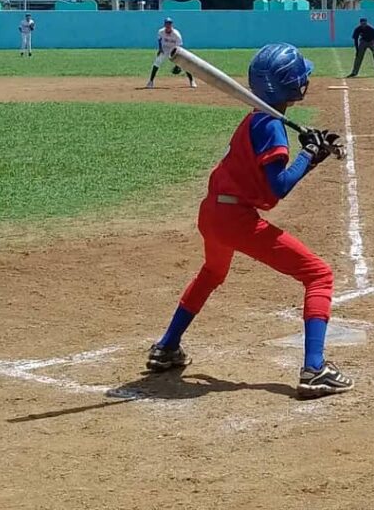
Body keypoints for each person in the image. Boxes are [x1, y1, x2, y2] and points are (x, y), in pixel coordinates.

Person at [147, 43, 354, 399]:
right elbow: (276, 192)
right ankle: (314, 369)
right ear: (292, 84)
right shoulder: (271, 126)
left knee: (211, 273)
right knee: (319, 275)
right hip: (234, 219)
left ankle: (167, 347)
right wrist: (308, 155)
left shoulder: (260, 118)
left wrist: (310, 156)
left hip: (212, 211)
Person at [147, 17, 196, 90]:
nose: (168, 25)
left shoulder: (176, 34)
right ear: (164, 24)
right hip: (164, 50)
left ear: (172, 25)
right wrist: (160, 49)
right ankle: (150, 81)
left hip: (174, 50)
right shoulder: (161, 31)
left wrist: (178, 64)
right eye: (167, 23)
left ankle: (192, 81)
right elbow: (159, 40)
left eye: (169, 24)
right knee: (157, 63)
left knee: (183, 64)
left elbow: (179, 47)